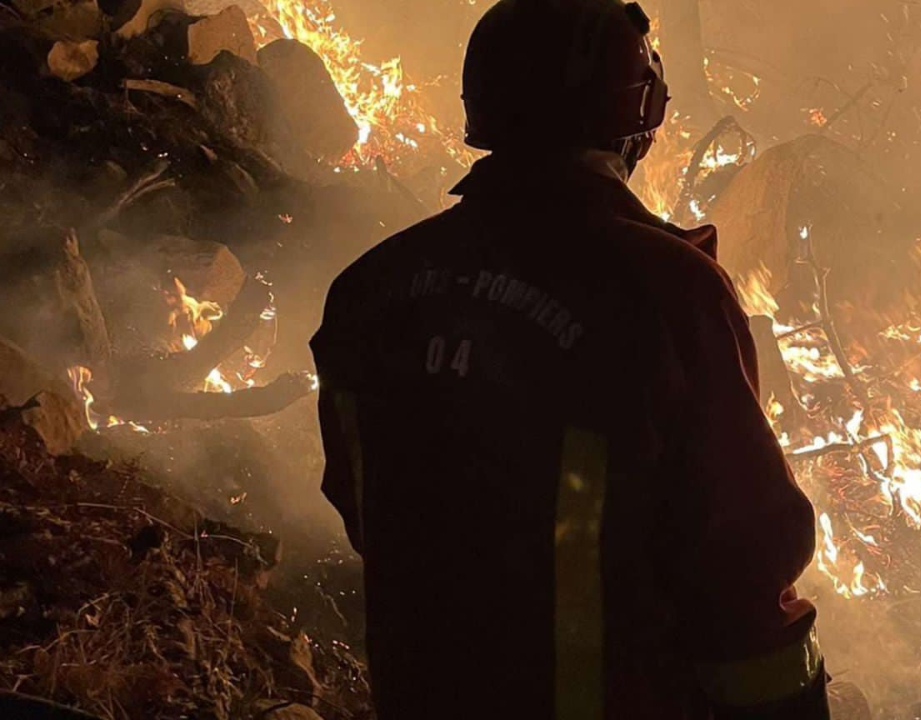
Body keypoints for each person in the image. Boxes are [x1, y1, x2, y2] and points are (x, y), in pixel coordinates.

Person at [310, 1, 829, 717]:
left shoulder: (371, 291)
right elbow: (739, 556)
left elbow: (362, 503)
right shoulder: (666, 291)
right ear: (638, 112)